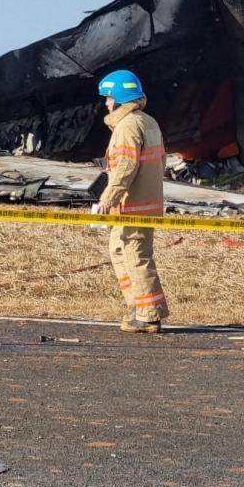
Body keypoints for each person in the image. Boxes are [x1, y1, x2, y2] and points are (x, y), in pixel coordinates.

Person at [95, 69, 169, 334]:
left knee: (135, 257)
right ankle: (137, 307)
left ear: (119, 97)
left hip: (132, 206)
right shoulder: (148, 122)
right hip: (142, 203)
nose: (105, 103)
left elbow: (125, 167)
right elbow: (159, 162)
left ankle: (149, 315)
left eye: (108, 98)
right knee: (119, 252)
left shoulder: (128, 126)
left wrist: (108, 198)